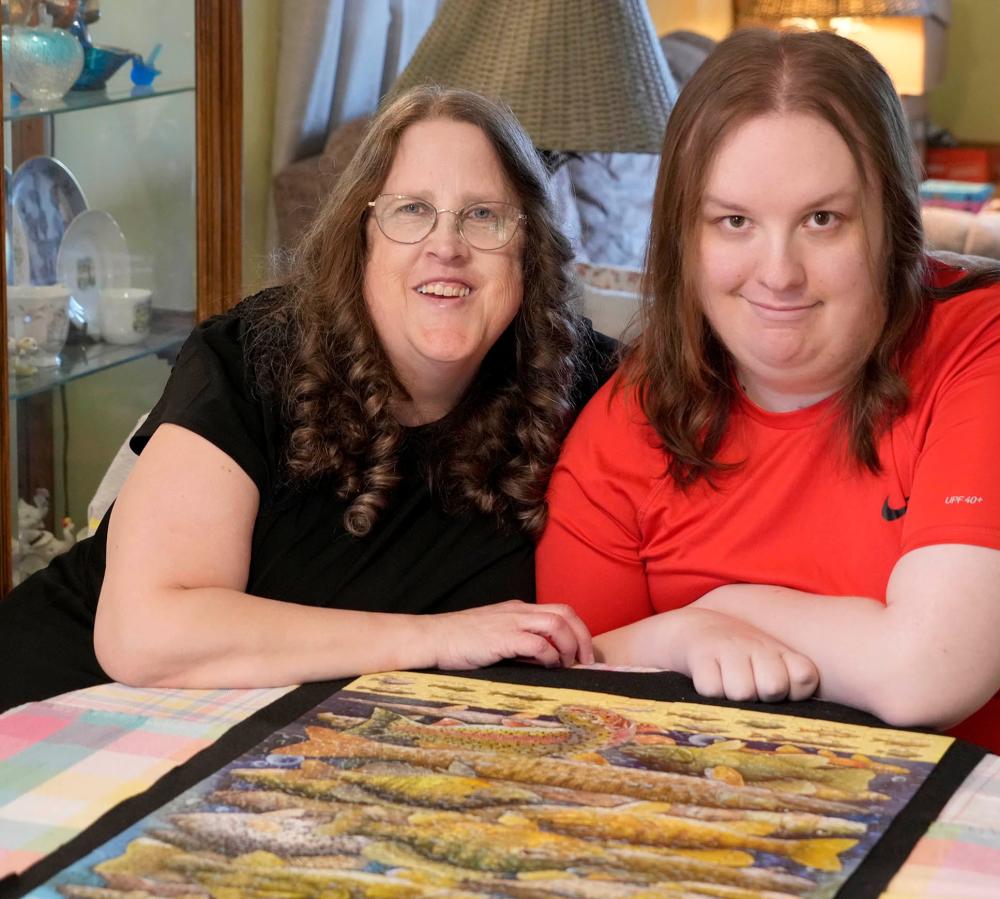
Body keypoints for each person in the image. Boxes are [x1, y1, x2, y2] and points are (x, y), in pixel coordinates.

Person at [536, 29, 1000, 896]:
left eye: (822, 219)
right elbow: (565, 704)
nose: (777, 273)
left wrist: (720, 609)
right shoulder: (627, 418)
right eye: (733, 221)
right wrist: (682, 638)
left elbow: (925, 671)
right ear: (683, 237)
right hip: (734, 842)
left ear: (890, 219)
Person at [0, 85, 611, 713]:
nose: (447, 245)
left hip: (288, 756)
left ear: (530, 248)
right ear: (361, 241)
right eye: (410, 211)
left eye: (484, 214)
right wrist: (439, 639)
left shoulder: (583, 382)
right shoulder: (253, 357)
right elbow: (144, 635)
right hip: (62, 715)